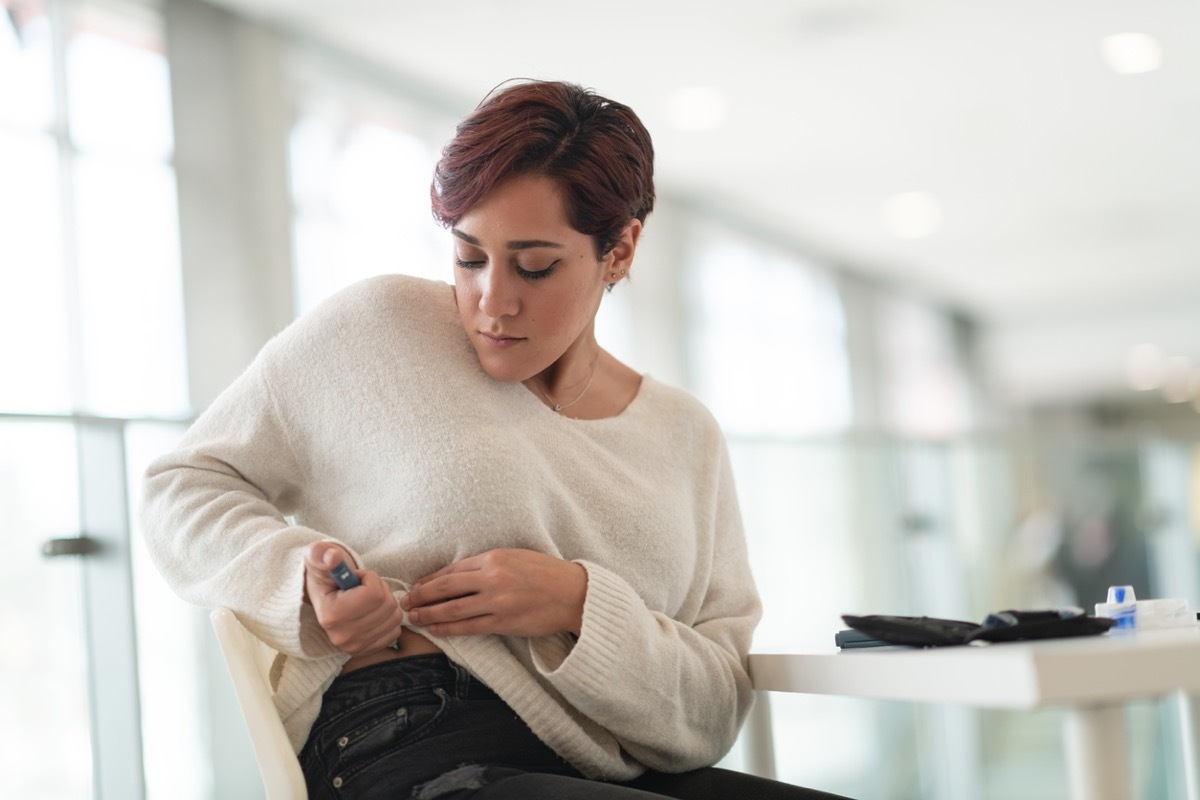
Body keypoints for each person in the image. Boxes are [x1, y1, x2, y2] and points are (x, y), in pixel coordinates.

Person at [141, 79, 849, 800]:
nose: (491, 302)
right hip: (413, 738)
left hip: (623, 766)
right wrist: (301, 578)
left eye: (535, 266)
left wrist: (578, 605)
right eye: (469, 257)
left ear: (620, 250)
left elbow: (715, 705)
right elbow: (182, 486)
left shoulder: (685, 434)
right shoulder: (378, 330)